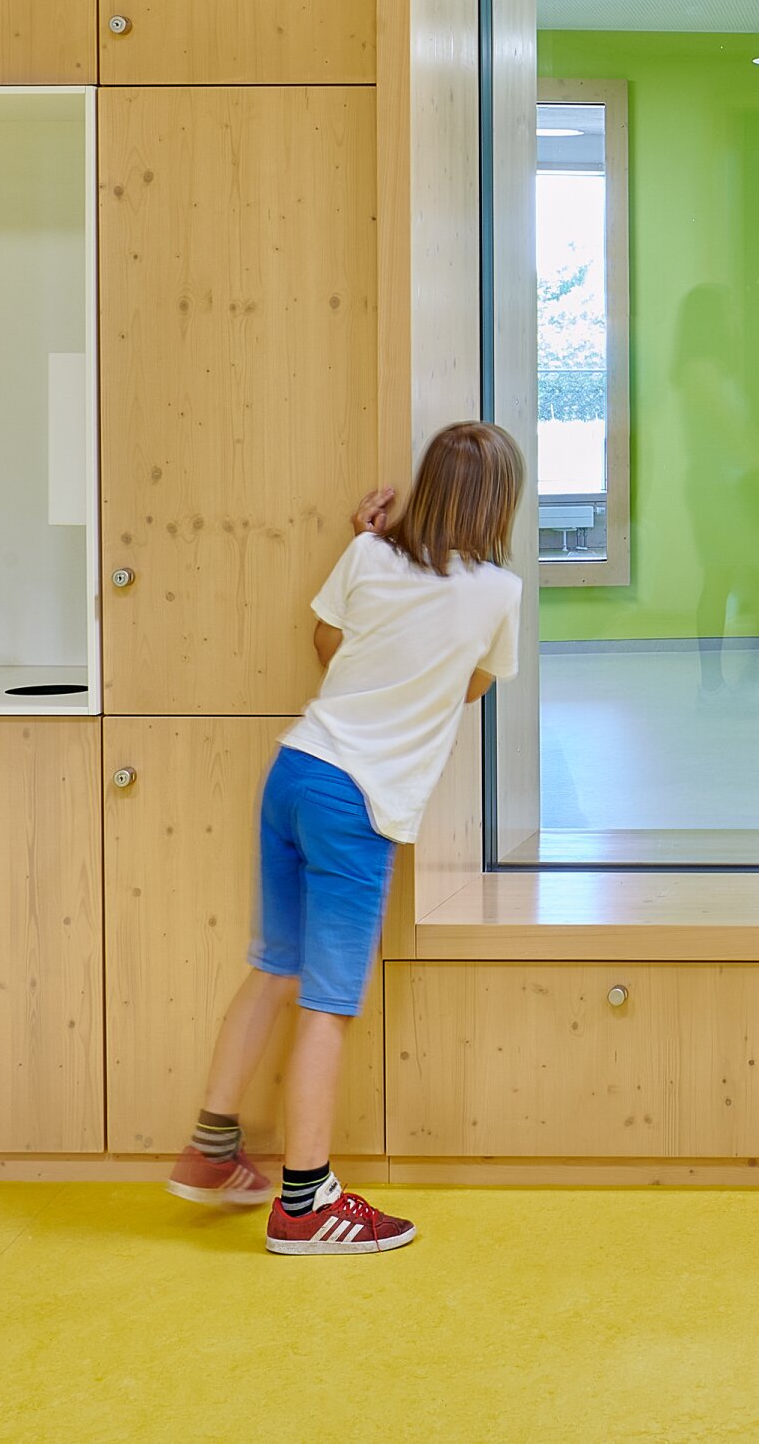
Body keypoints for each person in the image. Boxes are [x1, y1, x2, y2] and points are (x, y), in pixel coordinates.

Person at [166, 421, 525, 1255]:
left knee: (275, 969)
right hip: (360, 802)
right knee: (328, 1000)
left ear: (426, 484)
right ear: (500, 502)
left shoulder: (367, 556)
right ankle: (305, 1201)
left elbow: (328, 647)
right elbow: (470, 688)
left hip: (296, 770)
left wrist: (373, 553)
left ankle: (212, 1151)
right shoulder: (498, 593)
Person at [672, 283, 759, 690]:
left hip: (729, 490)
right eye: (727, 308)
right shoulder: (700, 371)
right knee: (731, 579)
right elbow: (732, 432)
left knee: (744, 578)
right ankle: (727, 682)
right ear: (709, 318)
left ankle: (737, 681)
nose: (735, 317)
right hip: (719, 493)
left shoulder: (712, 368)